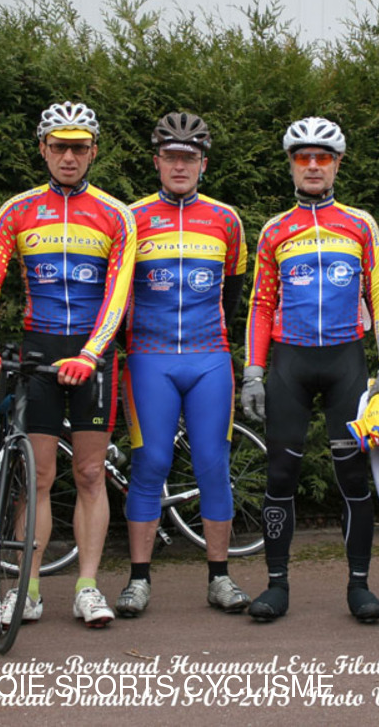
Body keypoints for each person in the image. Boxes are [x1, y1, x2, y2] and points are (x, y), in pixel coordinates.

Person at [0, 100, 135, 629]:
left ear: (93, 152)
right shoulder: (16, 210)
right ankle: (29, 590)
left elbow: (118, 294)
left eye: (78, 147)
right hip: (38, 349)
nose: (68, 156)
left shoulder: (116, 214)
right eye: (59, 146)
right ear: (43, 149)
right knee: (36, 476)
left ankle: (87, 587)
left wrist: (91, 354)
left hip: (92, 353)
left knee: (89, 473)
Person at [240, 116, 379, 623]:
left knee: (353, 474)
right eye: (303, 157)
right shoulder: (275, 229)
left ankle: (360, 586)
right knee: (280, 473)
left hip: (345, 360)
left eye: (323, 157)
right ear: (291, 164)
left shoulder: (360, 223)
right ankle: (276, 584)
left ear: (337, 164)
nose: (313, 165)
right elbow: (261, 305)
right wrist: (253, 372)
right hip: (290, 362)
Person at [114, 112, 251, 617]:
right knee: (150, 462)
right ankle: (138, 580)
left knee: (213, 464)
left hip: (208, 357)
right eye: (170, 156)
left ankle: (220, 578)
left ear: (203, 164)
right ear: (156, 161)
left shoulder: (226, 219)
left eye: (188, 157)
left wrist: (209, 338)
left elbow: (233, 291)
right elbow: (116, 293)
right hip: (148, 358)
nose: (179, 165)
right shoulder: (130, 217)